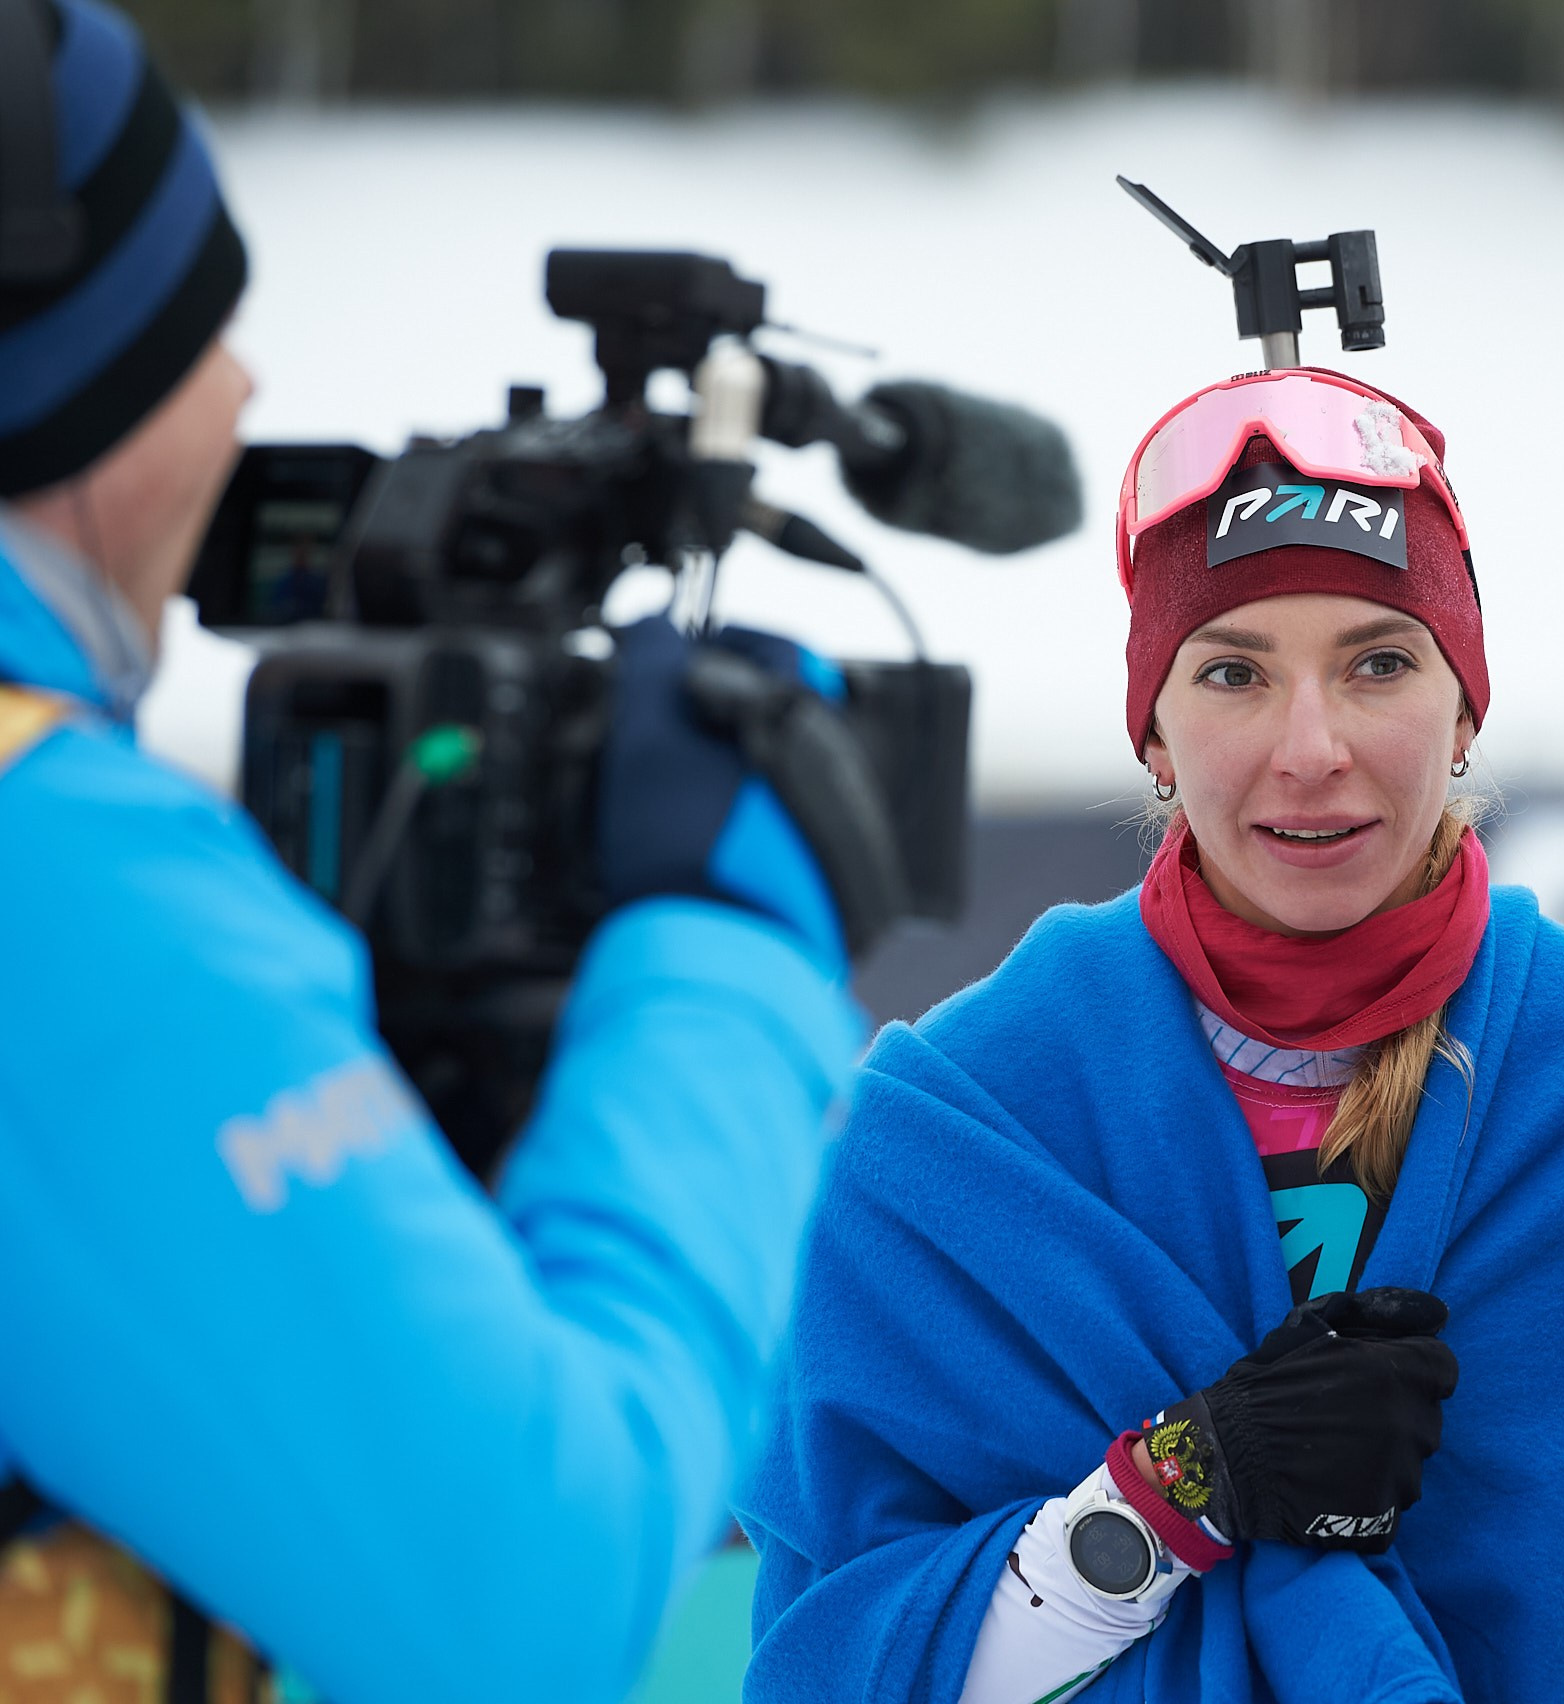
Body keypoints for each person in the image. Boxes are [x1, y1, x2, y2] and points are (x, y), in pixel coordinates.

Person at [0, 5, 872, 1701]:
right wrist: (723, 960)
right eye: (203, 320)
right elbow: (530, 1598)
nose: (246, 387)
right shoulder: (60, 880)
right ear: (74, 381)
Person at [735, 367, 1564, 1702]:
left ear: (1465, 709)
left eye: (1380, 665)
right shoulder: (952, 1136)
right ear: (1156, 734)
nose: (1312, 748)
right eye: (1233, 672)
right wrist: (1185, 1485)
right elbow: (847, 1667)